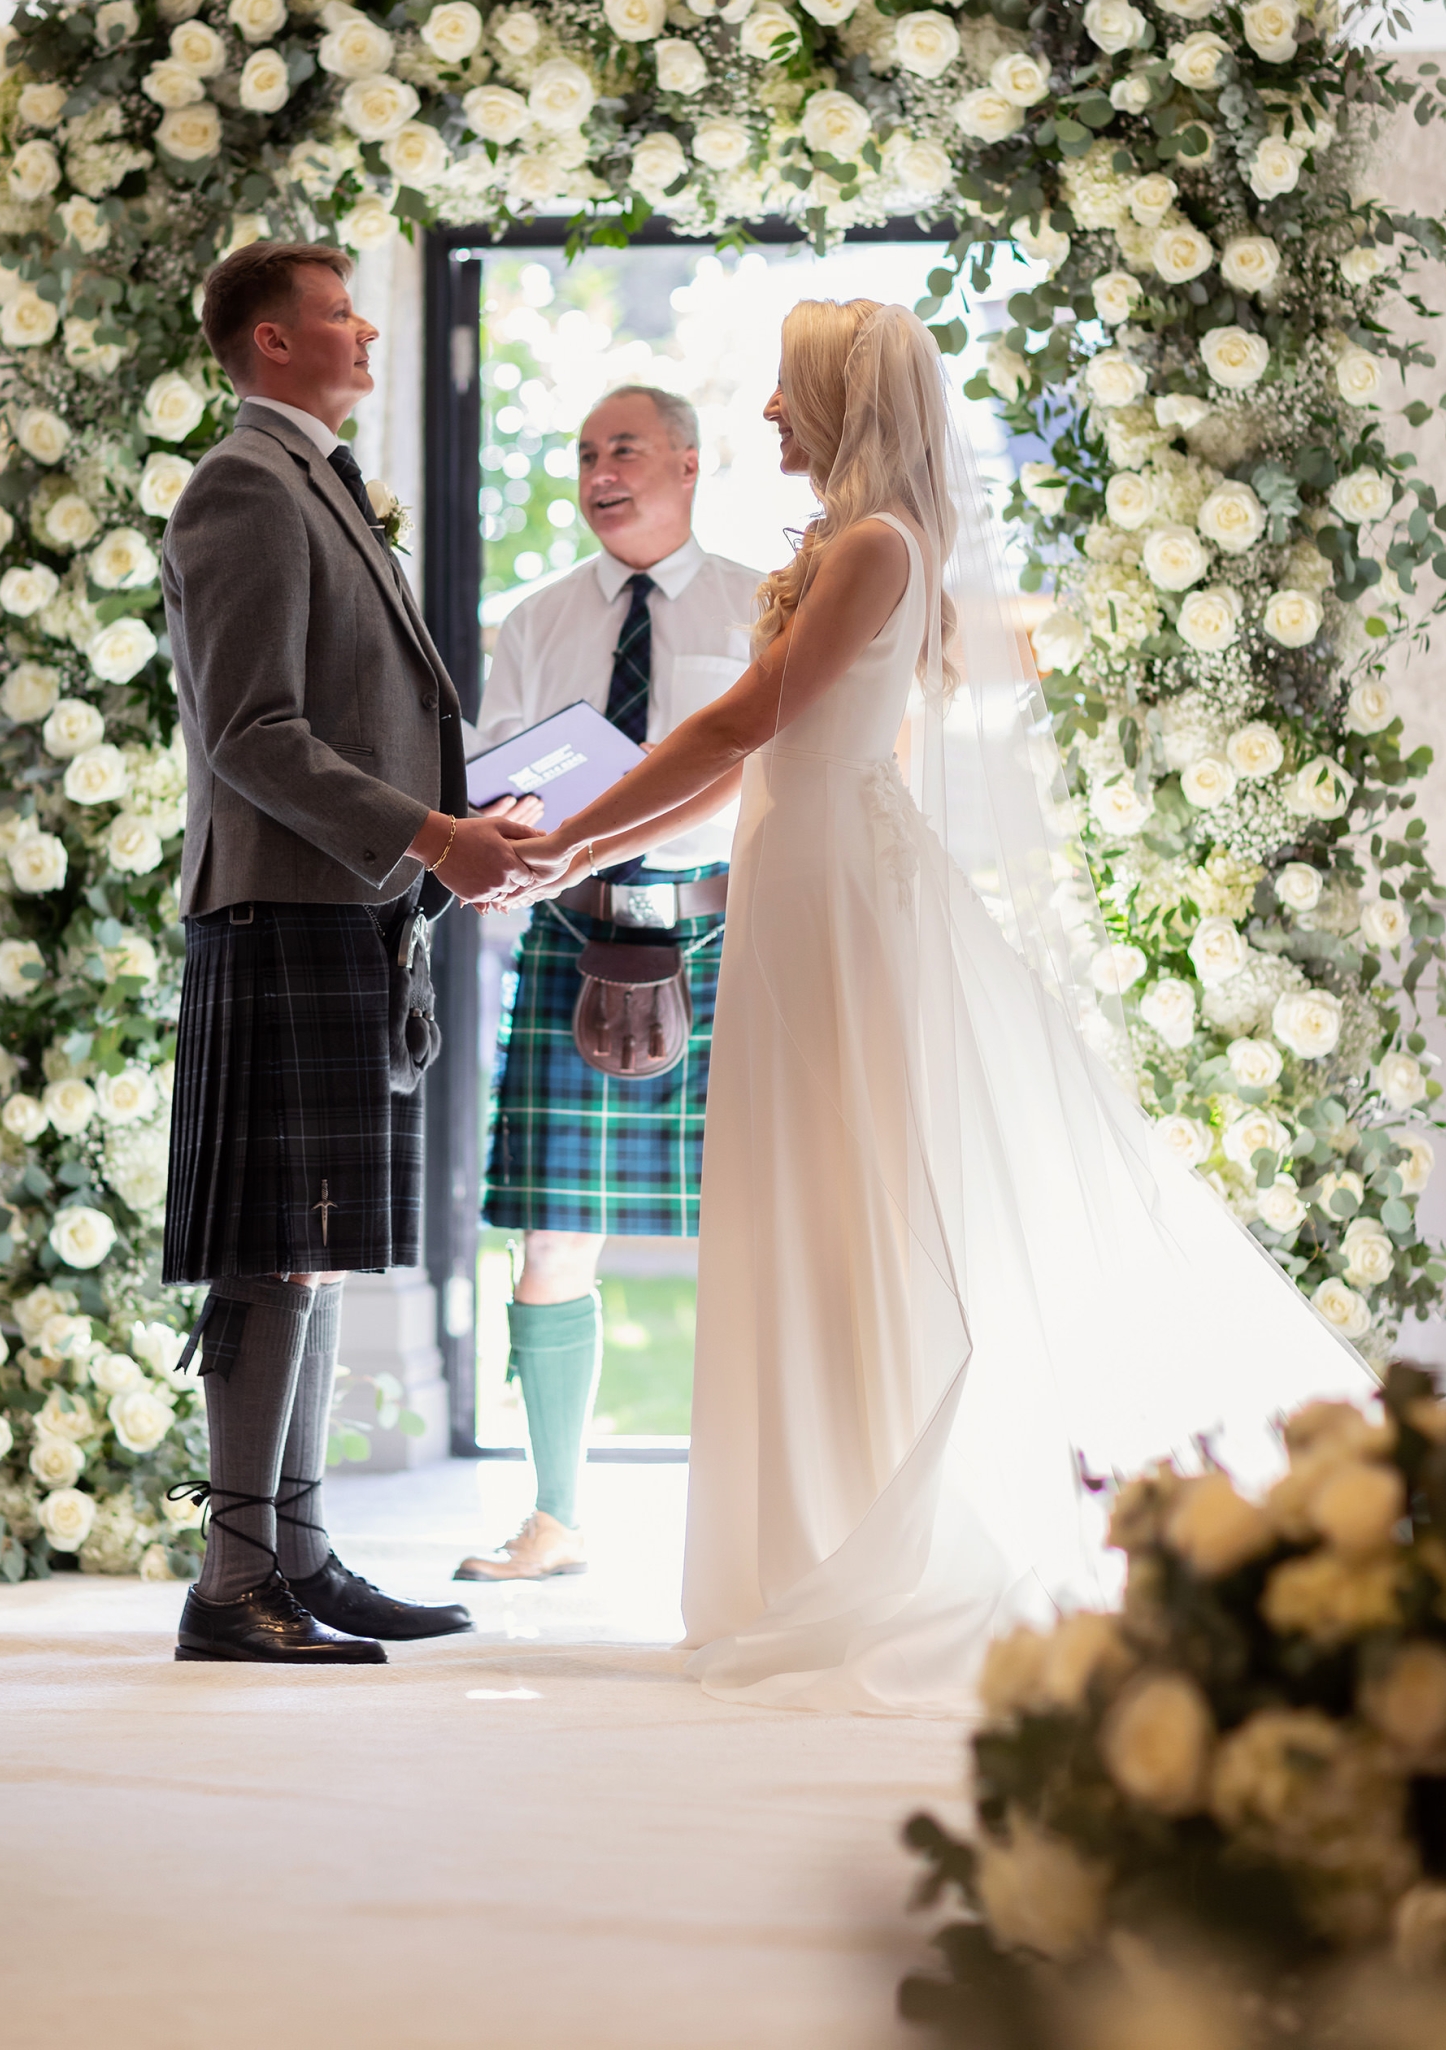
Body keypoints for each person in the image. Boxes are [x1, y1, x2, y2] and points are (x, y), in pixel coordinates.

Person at [515, 299, 1372, 1716]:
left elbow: (740, 728)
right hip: (794, 875)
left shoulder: (871, 545)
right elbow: (744, 762)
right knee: (804, 1197)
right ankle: (809, 1534)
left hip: (835, 891)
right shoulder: (856, 540)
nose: (770, 420)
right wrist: (588, 850)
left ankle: (871, 1532)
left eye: (786, 397)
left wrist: (559, 842)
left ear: (841, 404)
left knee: (846, 1195)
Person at [161, 239, 537, 1664]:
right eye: (335, 311)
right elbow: (250, 734)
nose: (368, 324)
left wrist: (446, 825)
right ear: (268, 342)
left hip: (347, 903)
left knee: (307, 1247)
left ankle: (296, 1559)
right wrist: (432, 837)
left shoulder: (310, 478)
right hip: (284, 904)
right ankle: (231, 1583)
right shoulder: (243, 485)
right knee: (275, 1253)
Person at [455, 387, 761, 1585]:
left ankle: (746, 1515)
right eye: (584, 454)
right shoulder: (534, 617)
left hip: (724, 936)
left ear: (691, 461)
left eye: (623, 449)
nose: (600, 471)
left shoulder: (757, 604)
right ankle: (556, 1517)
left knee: (755, 1227)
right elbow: (499, 777)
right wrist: (522, 809)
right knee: (551, 1231)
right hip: (575, 933)